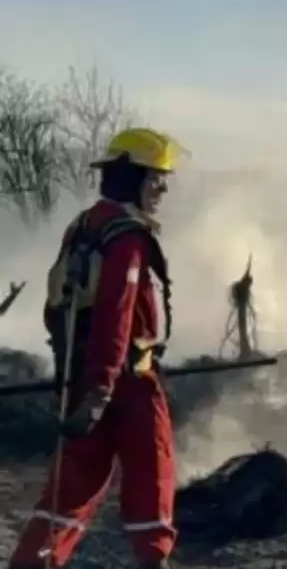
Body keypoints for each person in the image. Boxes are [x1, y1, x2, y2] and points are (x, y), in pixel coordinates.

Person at [8, 127, 182, 569]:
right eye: (154, 177)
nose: (162, 188)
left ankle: (32, 563)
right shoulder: (125, 237)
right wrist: (104, 389)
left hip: (82, 376)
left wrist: (78, 383)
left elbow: (56, 307)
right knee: (152, 478)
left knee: (72, 486)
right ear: (130, 178)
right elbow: (116, 313)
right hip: (128, 385)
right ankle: (154, 562)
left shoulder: (84, 226)